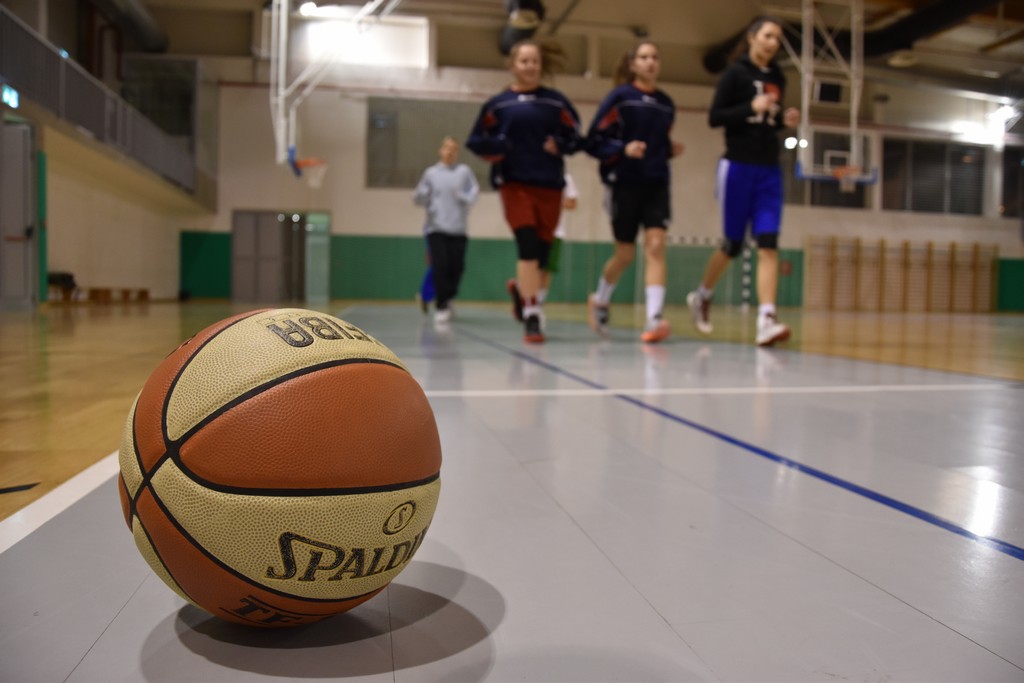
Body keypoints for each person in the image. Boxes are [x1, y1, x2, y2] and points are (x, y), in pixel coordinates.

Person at [686, 16, 800, 347]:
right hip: (737, 167)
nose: (773, 43)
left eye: (777, 38)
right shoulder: (734, 74)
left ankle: (767, 319)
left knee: (768, 243)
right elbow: (715, 117)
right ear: (752, 37)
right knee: (733, 245)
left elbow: (768, 120)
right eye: (768, 36)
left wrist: (783, 120)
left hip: (769, 170)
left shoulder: (777, 77)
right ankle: (702, 295)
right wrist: (750, 106)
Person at [467, 39, 583, 344]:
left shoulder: (556, 102)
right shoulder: (499, 105)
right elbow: (476, 140)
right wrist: (498, 147)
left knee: (543, 258)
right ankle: (532, 315)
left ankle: (522, 291)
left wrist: (562, 144)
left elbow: (576, 135)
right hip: (515, 185)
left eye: (535, 61)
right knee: (527, 246)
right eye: (524, 61)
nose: (530, 66)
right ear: (512, 65)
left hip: (550, 186)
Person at [584, 40, 684, 344]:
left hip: (656, 183)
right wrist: (623, 149)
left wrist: (668, 150)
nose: (650, 62)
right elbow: (594, 141)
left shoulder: (666, 104)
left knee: (655, 246)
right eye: (644, 57)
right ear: (632, 64)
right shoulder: (620, 99)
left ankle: (654, 318)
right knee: (625, 254)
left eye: (655, 57)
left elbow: (658, 142)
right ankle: (601, 298)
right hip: (624, 182)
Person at [413, 136, 480, 323]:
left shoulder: (464, 172)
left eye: (453, 149)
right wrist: (424, 196)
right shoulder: (431, 173)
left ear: (456, 152)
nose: (449, 152)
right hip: (436, 228)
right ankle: (441, 305)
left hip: (458, 229)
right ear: (440, 150)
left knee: (457, 268)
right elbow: (418, 197)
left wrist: (463, 197)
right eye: (446, 148)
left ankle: (449, 298)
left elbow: (474, 194)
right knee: (440, 266)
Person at [506, 171, 578, 321]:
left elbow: (572, 203)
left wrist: (550, 202)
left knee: (546, 270)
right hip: (534, 229)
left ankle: (531, 299)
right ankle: (531, 305)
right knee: (532, 264)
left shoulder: (564, 177)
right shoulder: (528, 174)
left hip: (555, 231)